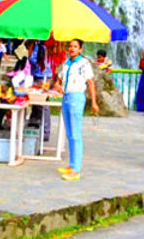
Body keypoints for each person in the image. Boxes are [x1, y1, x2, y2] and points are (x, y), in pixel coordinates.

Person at [52, 38, 99, 181]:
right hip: (66, 97)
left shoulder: (83, 64)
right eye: (70, 46)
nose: (71, 49)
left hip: (77, 98)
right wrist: (57, 86)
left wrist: (94, 102)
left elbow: (90, 83)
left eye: (75, 47)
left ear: (80, 49)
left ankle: (76, 170)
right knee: (70, 133)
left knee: (76, 133)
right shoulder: (66, 64)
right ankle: (72, 165)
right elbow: (58, 81)